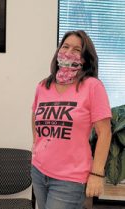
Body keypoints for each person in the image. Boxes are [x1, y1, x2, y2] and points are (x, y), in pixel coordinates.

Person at [31, 30, 112, 209]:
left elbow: (104, 132)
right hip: (38, 171)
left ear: (84, 58)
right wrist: (36, 144)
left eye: (76, 49)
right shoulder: (44, 85)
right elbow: (35, 115)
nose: (69, 52)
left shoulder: (92, 86)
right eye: (65, 46)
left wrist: (97, 174)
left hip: (69, 179)